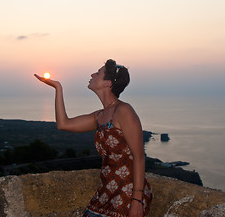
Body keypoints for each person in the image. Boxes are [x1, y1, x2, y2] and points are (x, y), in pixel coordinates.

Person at [34, 59, 152, 217]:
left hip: (127, 192)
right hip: (105, 190)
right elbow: (63, 124)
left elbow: (139, 157)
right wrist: (58, 88)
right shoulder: (99, 116)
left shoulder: (124, 111)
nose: (92, 74)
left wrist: (137, 200)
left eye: (98, 73)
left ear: (108, 83)